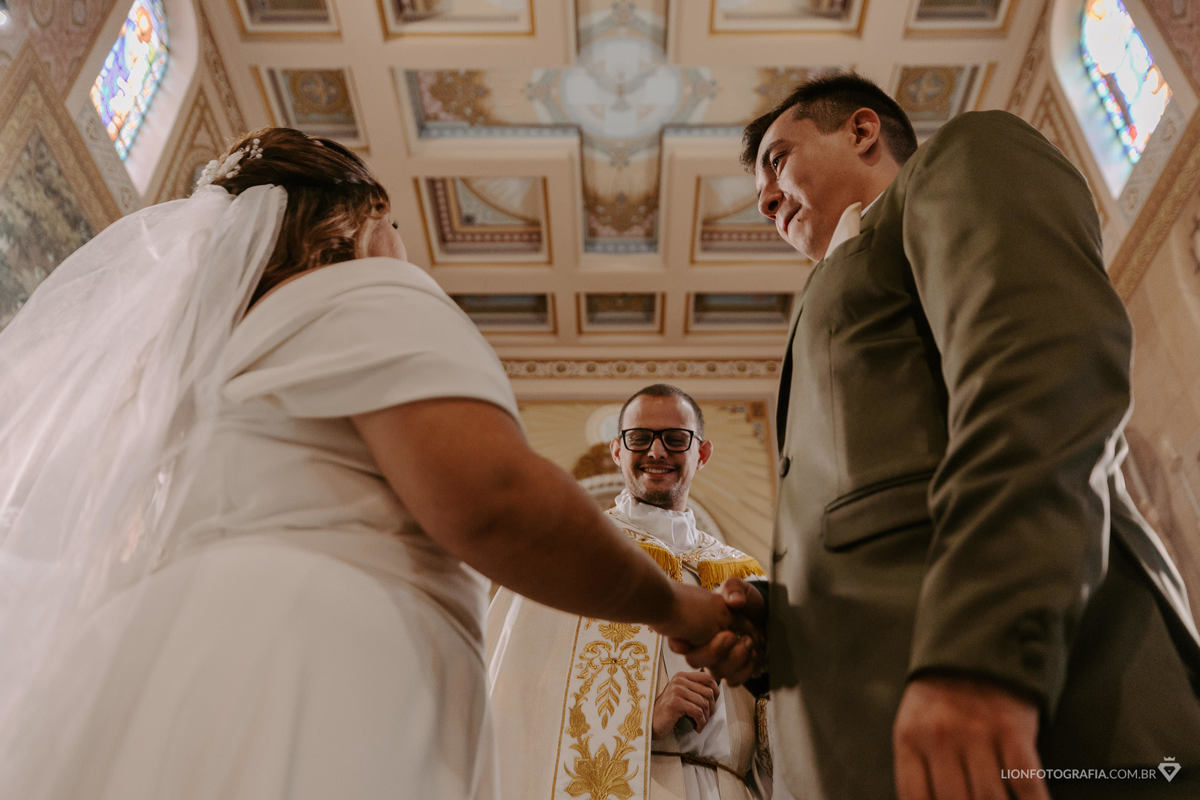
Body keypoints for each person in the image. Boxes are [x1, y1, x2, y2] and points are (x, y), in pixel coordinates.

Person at [0, 129, 732, 800]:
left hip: (169, 658)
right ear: (360, 222)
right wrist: (681, 608)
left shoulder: (206, 357)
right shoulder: (364, 292)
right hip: (313, 655)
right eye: (396, 224)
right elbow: (497, 502)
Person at [673, 73, 1200, 800]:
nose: (765, 200)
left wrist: (982, 649)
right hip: (878, 743)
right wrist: (778, 622)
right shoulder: (826, 295)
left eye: (777, 160)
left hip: (1040, 717)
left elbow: (1038, 377)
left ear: (862, 131)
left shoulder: (960, 161)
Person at [487, 384, 771, 800]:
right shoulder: (576, 553)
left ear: (702, 453)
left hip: (735, 789)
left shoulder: (742, 575)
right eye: (640, 438)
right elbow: (518, 699)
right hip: (639, 783)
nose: (656, 451)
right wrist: (640, 719)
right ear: (618, 450)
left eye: (675, 438)